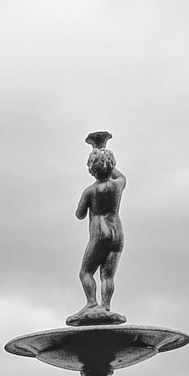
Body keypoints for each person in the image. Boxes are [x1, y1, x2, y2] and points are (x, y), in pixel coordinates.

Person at [74, 130, 127, 322]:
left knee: (86, 272)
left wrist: (96, 153)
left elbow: (79, 215)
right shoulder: (118, 184)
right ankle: (106, 305)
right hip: (117, 233)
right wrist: (102, 151)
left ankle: (91, 303)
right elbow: (118, 173)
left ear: (91, 168)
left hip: (100, 233)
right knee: (108, 274)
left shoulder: (90, 191)